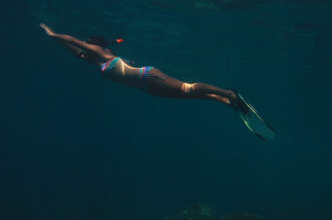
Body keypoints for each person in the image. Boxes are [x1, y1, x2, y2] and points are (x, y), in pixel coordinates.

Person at [40, 24, 276, 141]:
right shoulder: (94, 60)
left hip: (148, 76)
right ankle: (228, 102)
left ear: (94, 45)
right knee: (188, 94)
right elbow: (73, 48)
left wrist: (53, 35)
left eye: (84, 47)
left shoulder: (100, 53)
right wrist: (57, 40)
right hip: (147, 86)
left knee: (187, 87)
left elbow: (73, 41)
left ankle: (230, 93)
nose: (81, 53)